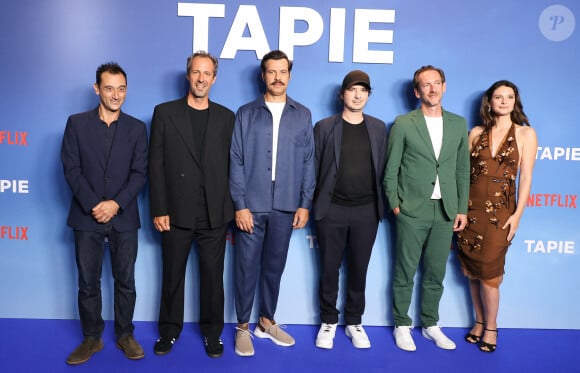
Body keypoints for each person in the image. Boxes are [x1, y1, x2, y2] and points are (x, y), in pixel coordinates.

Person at [148, 51, 235, 358]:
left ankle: (213, 334)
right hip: (174, 212)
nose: (201, 78)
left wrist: (232, 208)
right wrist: (159, 208)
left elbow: (234, 166)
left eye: (207, 73)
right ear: (188, 75)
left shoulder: (227, 117)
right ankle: (169, 332)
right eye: (196, 72)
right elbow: (155, 165)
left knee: (213, 279)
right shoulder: (164, 113)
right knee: (172, 275)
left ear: (214, 78)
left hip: (214, 213)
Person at [229, 50, 315, 357]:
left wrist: (305, 203)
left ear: (289, 75)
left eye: (282, 72)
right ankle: (242, 327)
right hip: (252, 203)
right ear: (263, 76)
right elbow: (236, 159)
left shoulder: (302, 114)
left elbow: (308, 162)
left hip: (287, 203)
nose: (277, 77)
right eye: (271, 72)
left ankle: (266, 321)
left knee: (274, 267)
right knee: (246, 267)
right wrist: (240, 204)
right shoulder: (245, 113)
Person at [61, 62, 148, 364]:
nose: (115, 94)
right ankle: (91, 338)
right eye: (109, 88)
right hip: (86, 216)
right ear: (97, 89)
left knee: (126, 280)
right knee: (88, 282)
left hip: (123, 216)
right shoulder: (76, 123)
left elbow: (140, 173)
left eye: (121, 88)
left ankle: (125, 334)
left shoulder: (137, 128)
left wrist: (115, 204)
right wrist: (94, 204)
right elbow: (71, 169)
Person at [383, 65, 470, 351]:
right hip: (412, 209)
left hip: (445, 210)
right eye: (426, 85)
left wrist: (461, 209)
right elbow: (391, 169)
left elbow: (461, 170)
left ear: (444, 86)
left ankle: (431, 323)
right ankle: (402, 324)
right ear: (416, 91)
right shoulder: (404, 123)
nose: (432, 89)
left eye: (437, 83)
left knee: (436, 272)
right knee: (404, 271)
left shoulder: (458, 124)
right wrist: (396, 206)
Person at [457, 80, 537, 353]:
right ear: (489, 102)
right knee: (472, 271)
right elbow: (464, 174)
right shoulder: (476, 132)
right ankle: (479, 322)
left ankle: (491, 327)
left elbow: (526, 177)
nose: (504, 101)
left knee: (490, 273)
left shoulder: (526, 134)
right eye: (498, 97)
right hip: (470, 210)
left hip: (501, 213)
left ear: (515, 101)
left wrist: (517, 215)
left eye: (510, 97)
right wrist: (460, 210)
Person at [312, 70, 387, 349]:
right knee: (329, 269)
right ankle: (328, 321)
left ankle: (354, 321)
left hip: (367, 210)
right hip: (331, 210)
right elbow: (314, 170)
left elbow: (384, 170)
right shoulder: (324, 127)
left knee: (359, 268)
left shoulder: (379, 128)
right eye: (352, 90)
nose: (357, 95)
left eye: (363, 90)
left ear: (368, 95)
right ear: (341, 94)